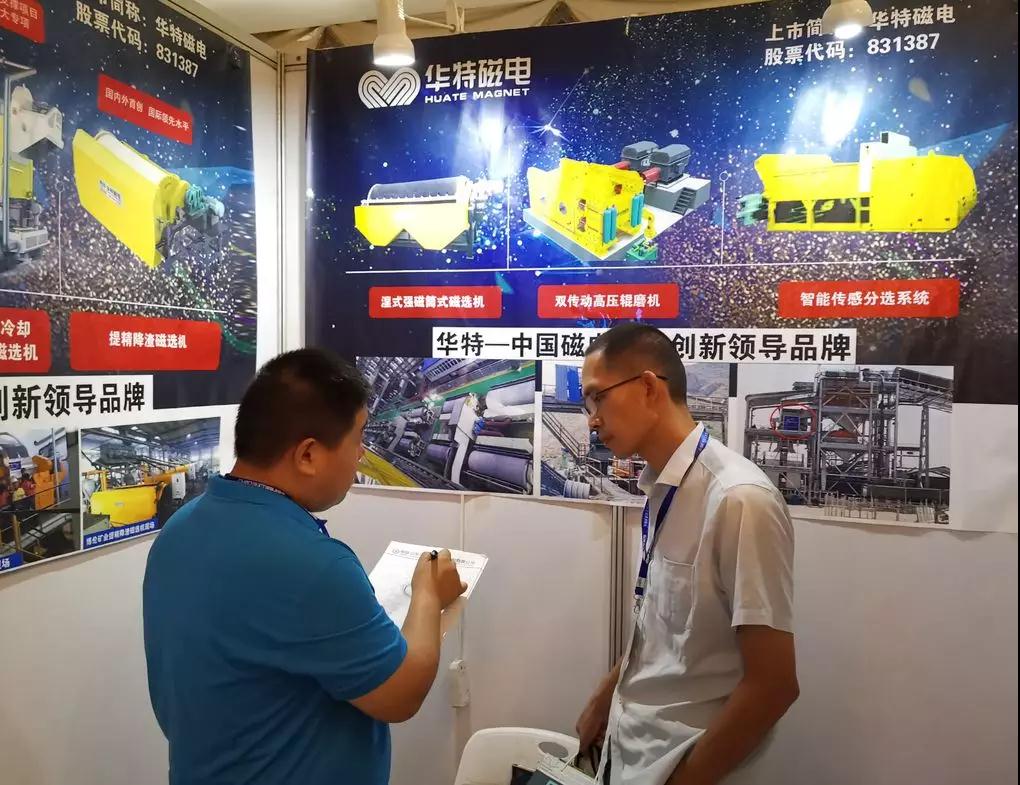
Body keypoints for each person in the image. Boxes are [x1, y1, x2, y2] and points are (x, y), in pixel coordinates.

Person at [143, 348, 467, 785]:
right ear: (308, 455)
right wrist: (428, 595)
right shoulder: (313, 565)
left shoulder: (179, 530)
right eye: (358, 439)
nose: (360, 456)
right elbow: (401, 694)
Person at [575, 323, 798, 785]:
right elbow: (666, 628)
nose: (592, 420)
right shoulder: (662, 488)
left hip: (684, 762)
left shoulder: (739, 500)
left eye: (598, 398)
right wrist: (605, 696)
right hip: (632, 746)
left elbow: (774, 686)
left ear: (648, 387)